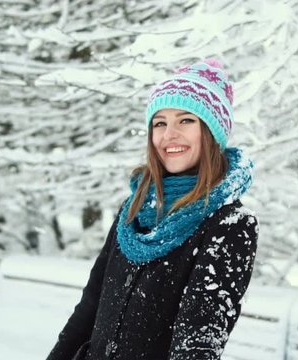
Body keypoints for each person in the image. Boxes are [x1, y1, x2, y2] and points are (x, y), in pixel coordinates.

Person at [47, 59, 258, 360]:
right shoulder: (133, 209)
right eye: (160, 123)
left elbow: (197, 342)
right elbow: (90, 308)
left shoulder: (229, 224)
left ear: (211, 133)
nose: (169, 135)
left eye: (186, 120)